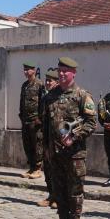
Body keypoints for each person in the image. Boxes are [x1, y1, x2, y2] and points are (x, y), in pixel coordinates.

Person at [41, 57, 97, 219]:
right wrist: (46, 149)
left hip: (74, 154)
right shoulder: (50, 96)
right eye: (60, 70)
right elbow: (46, 126)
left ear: (73, 73)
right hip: (55, 154)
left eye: (66, 71)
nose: (62, 74)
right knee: (59, 192)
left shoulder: (82, 95)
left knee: (74, 192)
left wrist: (74, 136)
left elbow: (91, 123)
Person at [39, 68, 60, 209]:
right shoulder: (46, 98)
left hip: (59, 141)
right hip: (47, 139)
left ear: (57, 82)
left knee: (58, 171)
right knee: (48, 169)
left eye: (50, 81)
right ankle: (51, 195)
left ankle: (59, 198)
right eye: (46, 80)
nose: (47, 83)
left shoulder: (60, 97)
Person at [19, 62, 44, 180]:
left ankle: (38, 169)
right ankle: (31, 167)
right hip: (25, 120)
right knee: (27, 144)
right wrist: (21, 115)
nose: (25, 72)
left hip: (36, 121)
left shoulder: (40, 85)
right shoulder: (24, 85)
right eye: (24, 70)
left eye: (28, 70)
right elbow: (22, 102)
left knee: (37, 144)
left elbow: (43, 103)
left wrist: (40, 118)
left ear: (34, 70)